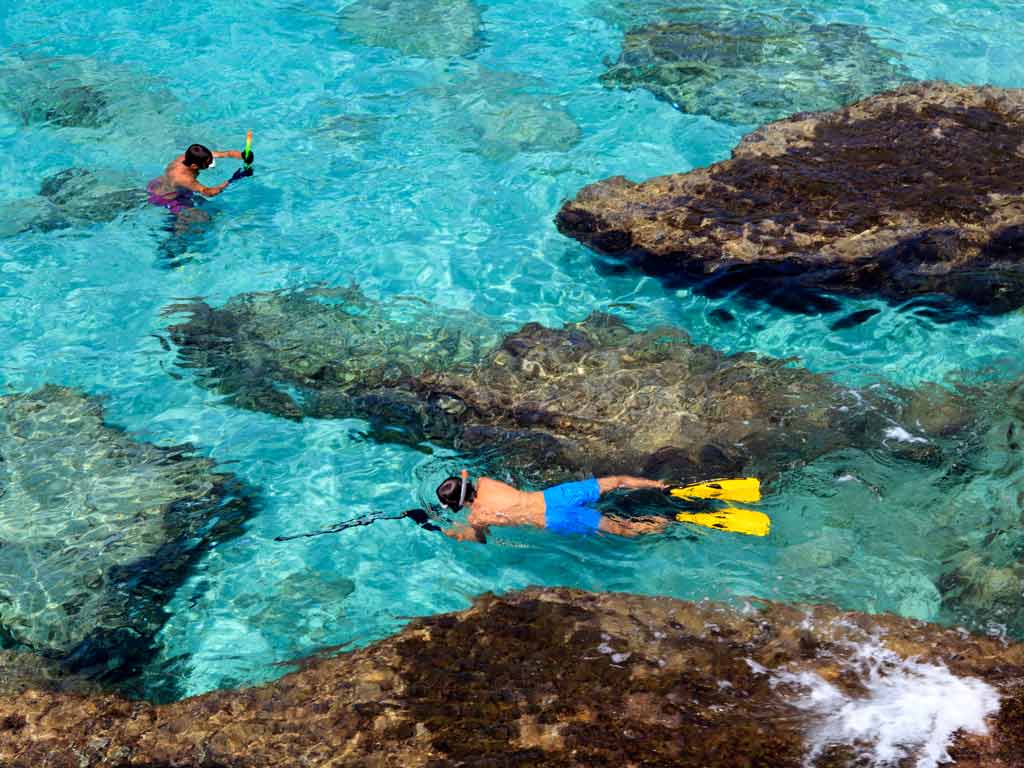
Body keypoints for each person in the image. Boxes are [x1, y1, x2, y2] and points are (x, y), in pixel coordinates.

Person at [436, 471, 669, 542]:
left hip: (553, 519)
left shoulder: (478, 517)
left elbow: (481, 538)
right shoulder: (485, 481)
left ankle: (668, 524)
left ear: (459, 504)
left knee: (623, 530)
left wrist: (459, 533)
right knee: (616, 482)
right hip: (554, 495)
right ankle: (658, 484)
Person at [147, 143, 252, 214]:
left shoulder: (189, 157)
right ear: (194, 166)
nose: (211, 164)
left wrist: (244, 155)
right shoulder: (184, 178)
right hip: (167, 198)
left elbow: (226, 153)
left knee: (212, 209)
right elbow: (208, 192)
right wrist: (232, 179)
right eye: (208, 163)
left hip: (161, 184)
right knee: (201, 219)